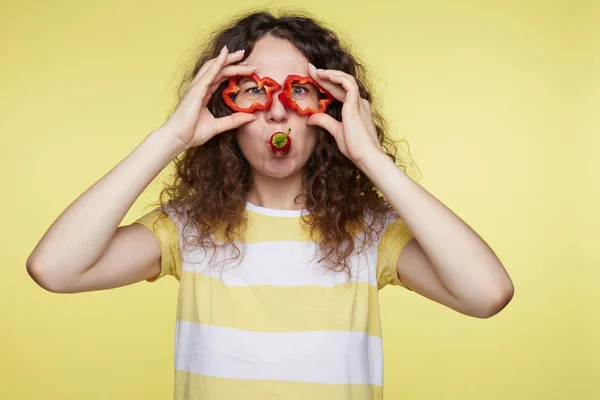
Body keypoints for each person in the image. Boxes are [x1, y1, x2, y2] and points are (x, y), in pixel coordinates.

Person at [26, 10, 514, 400]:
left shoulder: (369, 233)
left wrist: (373, 160)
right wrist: (171, 138)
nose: (277, 110)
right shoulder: (188, 229)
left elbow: (487, 293)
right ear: (224, 108)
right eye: (255, 91)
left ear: (329, 107)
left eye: (299, 90)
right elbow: (55, 269)